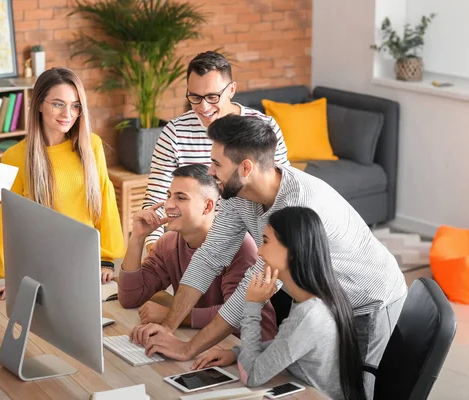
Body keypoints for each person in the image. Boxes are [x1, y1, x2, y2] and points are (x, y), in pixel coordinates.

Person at [131, 115, 407, 386]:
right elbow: (209, 256)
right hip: (320, 303)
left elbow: (252, 288)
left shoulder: (295, 207)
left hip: (366, 299)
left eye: (216, 163)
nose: (210, 172)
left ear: (246, 168)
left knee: (354, 390)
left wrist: (187, 349)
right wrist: (167, 328)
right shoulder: (236, 193)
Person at [192, 207, 367, 400]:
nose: (259, 251)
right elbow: (285, 344)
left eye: (265, 241)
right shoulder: (313, 298)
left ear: (292, 250)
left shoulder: (309, 314)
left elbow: (250, 375)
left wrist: (252, 305)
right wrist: (237, 352)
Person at [0, 68, 125, 299]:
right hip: (41, 270)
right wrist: (14, 276)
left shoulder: (91, 146)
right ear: (39, 104)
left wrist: (107, 261)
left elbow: (104, 200)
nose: (68, 114)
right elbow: (11, 223)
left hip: (87, 266)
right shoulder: (14, 157)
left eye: (75, 105)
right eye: (58, 104)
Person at [142, 51, 289, 251]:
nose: (203, 107)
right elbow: (157, 197)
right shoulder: (174, 132)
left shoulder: (264, 127)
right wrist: (153, 247)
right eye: (195, 97)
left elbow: (281, 192)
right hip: (194, 244)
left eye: (212, 96)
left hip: (254, 243)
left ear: (231, 90)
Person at [119, 164, 277, 340]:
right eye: (169, 196)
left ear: (208, 206)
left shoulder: (240, 246)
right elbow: (130, 298)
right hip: (203, 339)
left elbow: (238, 314)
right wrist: (137, 238)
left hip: (249, 349)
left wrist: (170, 315)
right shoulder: (169, 243)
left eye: (181, 198)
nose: (168, 205)